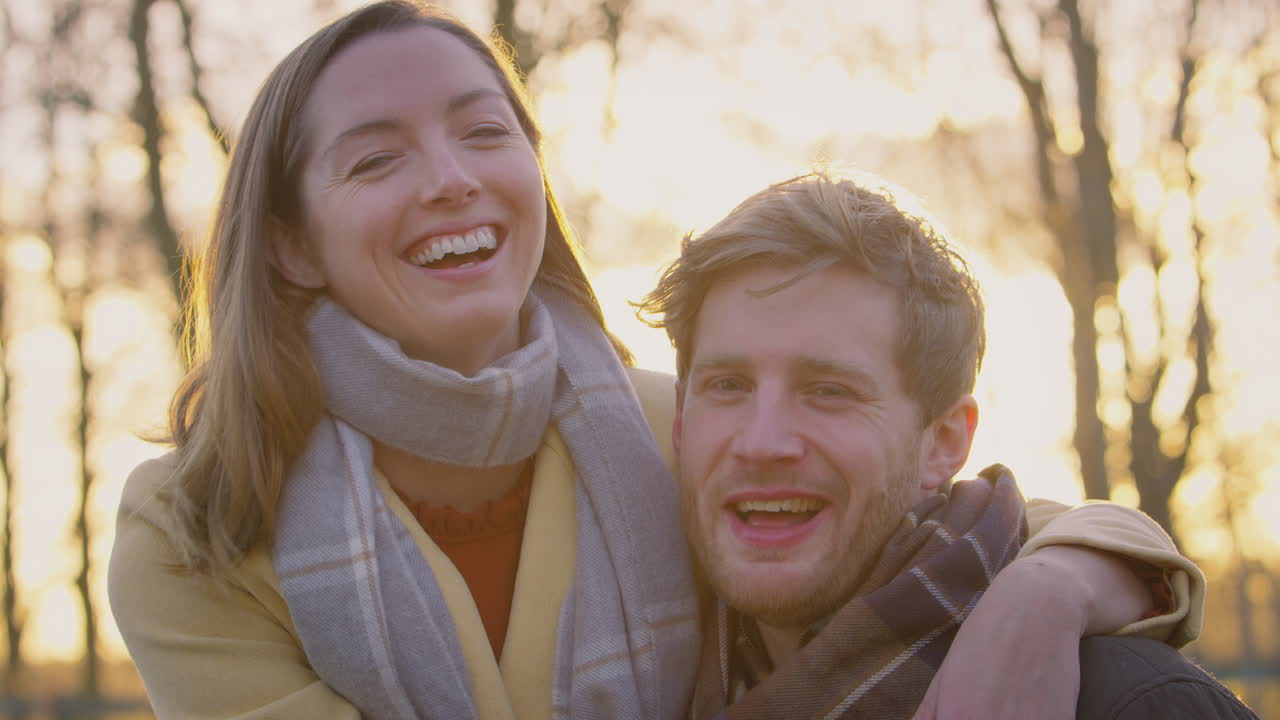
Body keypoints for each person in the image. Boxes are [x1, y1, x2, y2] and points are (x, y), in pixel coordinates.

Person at [109, 2, 1205, 718]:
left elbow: (992, 519)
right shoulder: (197, 522)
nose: (449, 177)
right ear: (293, 242)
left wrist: (1039, 599)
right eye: (377, 156)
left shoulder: (666, 426)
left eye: (485, 132)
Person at [637, 170, 1254, 719]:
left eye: (829, 390)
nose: (762, 442)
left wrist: (1049, 590)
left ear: (945, 441)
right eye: (727, 385)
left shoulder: (1120, 700)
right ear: (682, 426)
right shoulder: (633, 664)